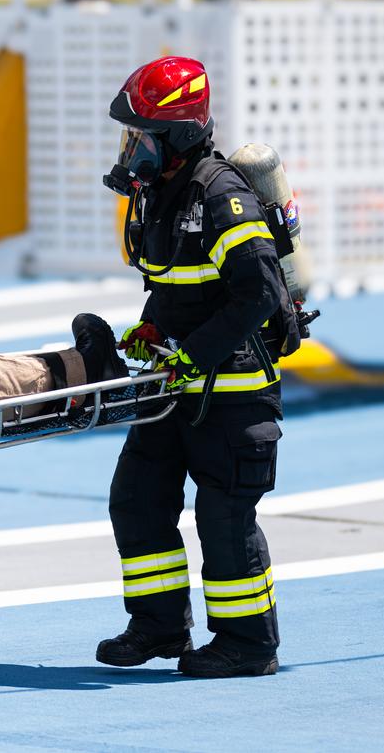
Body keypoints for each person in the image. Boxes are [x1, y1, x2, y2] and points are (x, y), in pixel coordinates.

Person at [94, 56, 293, 677]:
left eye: (142, 137)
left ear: (179, 137)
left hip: (231, 396)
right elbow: (182, 283)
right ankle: (158, 627)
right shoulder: (161, 193)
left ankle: (248, 645)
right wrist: (157, 325)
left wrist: (192, 353)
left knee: (224, 518)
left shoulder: (221, 195)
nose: (132, 150)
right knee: (137, 499)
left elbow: (257, 295)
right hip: (177, 388)